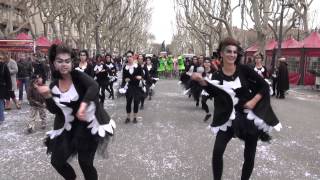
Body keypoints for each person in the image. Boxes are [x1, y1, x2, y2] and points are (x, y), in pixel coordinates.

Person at [191, 37, 282, 180]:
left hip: (247, 116)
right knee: (217, 152)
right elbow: (215, 92)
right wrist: (201, 81)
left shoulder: (245, 70)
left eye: (234, 52)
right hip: (227, 118)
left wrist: (253, 101)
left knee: (250, 155)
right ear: (221, 53)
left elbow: (264, 86)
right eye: (228, 51)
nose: (232, 55)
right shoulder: (217, 74)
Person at [35, 44, 115, 180]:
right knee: (57, 161)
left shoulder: (78, 76)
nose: (64, 64)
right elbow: (55, 110)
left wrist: (83, 105)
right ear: (54, 63)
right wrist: (48, 95)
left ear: (72, 62)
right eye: (60, 61)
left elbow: (94, 86)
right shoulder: (54, 85)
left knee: (85, 163)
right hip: (69, 126)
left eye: (67, 61)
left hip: (88, 124)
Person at [121, 51, 144, 123]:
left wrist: (140, 77)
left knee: (136, 102)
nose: (129, 58)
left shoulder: (138, 66)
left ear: (133, 57)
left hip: (136, 86)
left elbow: (142, 76)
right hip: (129, 86)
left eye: (130, 56)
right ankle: (128, 117)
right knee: (128, 102)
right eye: (127, 57)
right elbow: (124, 78)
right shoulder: (125, 67)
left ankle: (135, 117)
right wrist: (125, 80)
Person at [0, 51, 12, 125]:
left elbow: (8, 78)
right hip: (2, 87)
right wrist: (9, 88)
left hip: (2, 87)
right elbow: (8, 78)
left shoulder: (4, 66)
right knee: (1, 102)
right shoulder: (4, 65)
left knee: (1, 102)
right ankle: (1, 118)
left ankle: (1, 117)